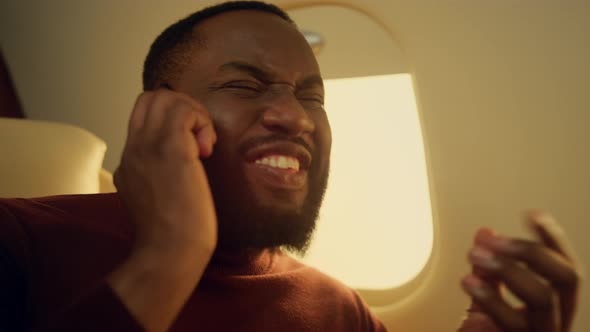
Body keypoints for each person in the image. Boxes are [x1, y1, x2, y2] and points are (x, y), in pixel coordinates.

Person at [0, 1, 582, 331]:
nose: (294, 117)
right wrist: (171, 253)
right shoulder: (19, 240)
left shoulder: (340, 311)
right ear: (156, 114)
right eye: (242, 85)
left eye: (313, 97)